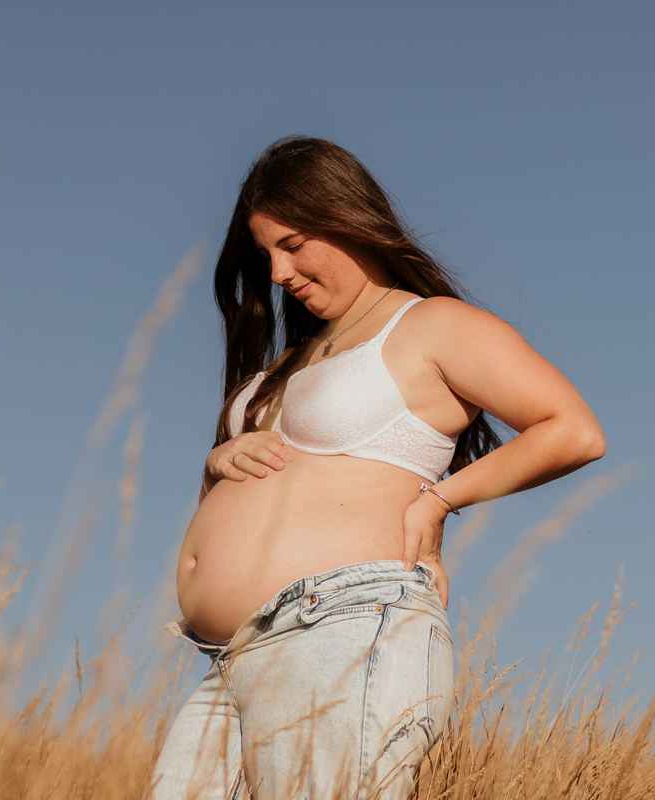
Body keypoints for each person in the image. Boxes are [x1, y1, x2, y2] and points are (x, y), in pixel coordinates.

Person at [152, 137, 605, 799]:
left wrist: (439, 501)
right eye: (265, 254)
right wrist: (220, 459)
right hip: (237, 656)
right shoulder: (288, 363)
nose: (278, 273)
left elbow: (573, 431)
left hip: (343, 628)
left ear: (345, 217)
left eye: (294, 242)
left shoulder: (429, 326)